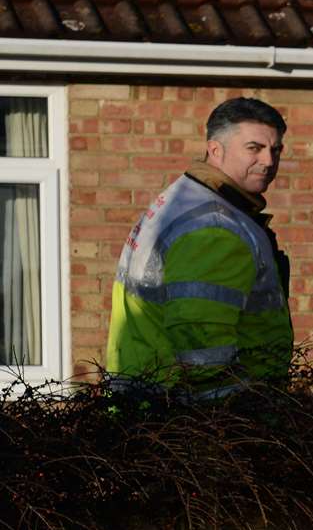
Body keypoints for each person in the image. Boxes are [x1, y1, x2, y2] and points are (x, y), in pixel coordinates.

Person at [105, 97, 293, 397]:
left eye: (276, 149)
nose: (269, 161)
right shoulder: (215, 228)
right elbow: (203, 353)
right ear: (215, 150)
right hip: (194, 421)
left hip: (150, 403)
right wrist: (240, 416)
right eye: (253, 148)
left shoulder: (184, 200)